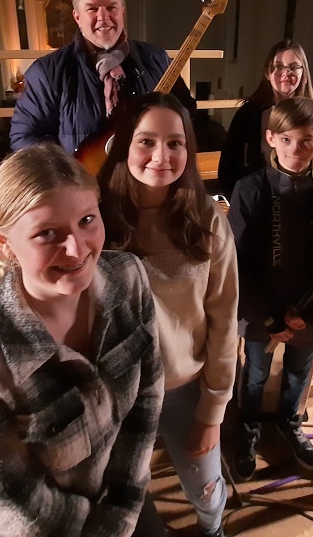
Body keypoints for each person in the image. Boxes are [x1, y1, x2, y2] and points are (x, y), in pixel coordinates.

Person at [0, 144, 165, 537]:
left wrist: (122, 509)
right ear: (4, 241)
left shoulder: (129, 277)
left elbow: (147, 393)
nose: (77, 249)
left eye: (87, 220)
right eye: (47, 233)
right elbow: (19, 509)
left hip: (124, 497)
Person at [98, 93, 239, 537]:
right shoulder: (94, 217)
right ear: (124, 144)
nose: (161, 156)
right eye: (147, 141)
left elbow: (224, 319)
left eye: (175, 143)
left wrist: (213, 411)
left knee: (206, 491)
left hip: (184, 388)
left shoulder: (207, 220)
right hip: (115, 395)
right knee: (127, 497)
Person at [228, 97, 313, 480]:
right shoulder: (250, 189)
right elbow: (238, 263)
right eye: (285, 140)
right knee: (255, 374)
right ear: (270, 138)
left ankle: (290, 421)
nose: (295, 150)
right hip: (260, 311)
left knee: (299, 374)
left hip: (309, 311)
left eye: (305, 141)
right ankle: (248, 425)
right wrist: (269, 317)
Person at [9, 0, 194, 153]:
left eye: (111, 8)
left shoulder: (157, 58)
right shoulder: (47, 72)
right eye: (92, 9)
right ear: (77, 17)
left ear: (122, 12)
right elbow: (24, 138)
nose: (103, 18)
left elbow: (186, 112)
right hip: (80, 173)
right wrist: (70, 166)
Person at [218, 39, 313, 196]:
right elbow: (227, 165)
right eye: (278, 66)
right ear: (267, 73)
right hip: (257, 196)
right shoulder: (248, 114)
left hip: (305, 195)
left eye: (294, 67)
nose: (286, 73)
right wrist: (237, 199)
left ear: (303, 72)